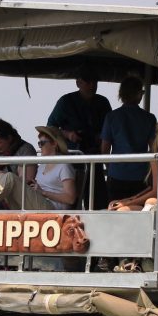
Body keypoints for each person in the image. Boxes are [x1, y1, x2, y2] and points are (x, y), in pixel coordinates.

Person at [47, 65, 112, 209]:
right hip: (71, 158)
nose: (92, 85)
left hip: (95, 158)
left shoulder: (103, 102)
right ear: (78, 83)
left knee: (98, 201)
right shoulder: (65, 102)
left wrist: (101, 137)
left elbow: (110, 129)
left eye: (95, 82)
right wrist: (68, 134)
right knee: (72, 200)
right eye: (88, 82)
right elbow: (50, 128)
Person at [100, 76, 156, 204]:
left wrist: (110, 167)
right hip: (141, 175)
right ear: (139, 94)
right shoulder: (149, 118)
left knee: (114, 209)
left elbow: (104, 150)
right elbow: (154, 148)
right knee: (140, 211)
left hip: (116, 174)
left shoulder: (112, 117)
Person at [114, 117, 158, 212]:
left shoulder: (156, 155)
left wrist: (128, 203)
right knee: (119, 206)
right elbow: (153, 188)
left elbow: (156, 191)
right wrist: (131, 199)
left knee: (122, 210)